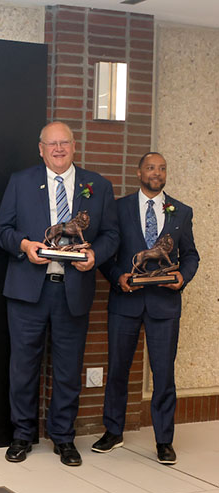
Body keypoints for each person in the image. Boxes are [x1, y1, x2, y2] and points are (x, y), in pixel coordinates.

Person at [0, 121, 119, 466]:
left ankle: (63, 437)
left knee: (67, 369)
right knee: (23, 368)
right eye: (52, 144)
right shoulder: (20, 182)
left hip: (72, 291)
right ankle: (22, 435)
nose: (59, 149)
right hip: (27, 291)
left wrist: (95, 257)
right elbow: (1, 229)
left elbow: (111, 235)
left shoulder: (98, 186)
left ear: (74, 146)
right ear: (40, 149)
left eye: (64, 143)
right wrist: (22, 244)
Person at [92, 152, 199, 465]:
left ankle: (164, 440)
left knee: (164, 374)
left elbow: (191, 255)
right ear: (139, 172)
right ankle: (113, 431)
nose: (157, 172)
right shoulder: (118, 207)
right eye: (151, 167)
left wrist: (182, 277)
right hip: (125, 301)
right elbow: (107, 255)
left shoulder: (181, 211)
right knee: (118, 370)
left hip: (165, 305)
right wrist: (116, 277)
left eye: (162, 168)